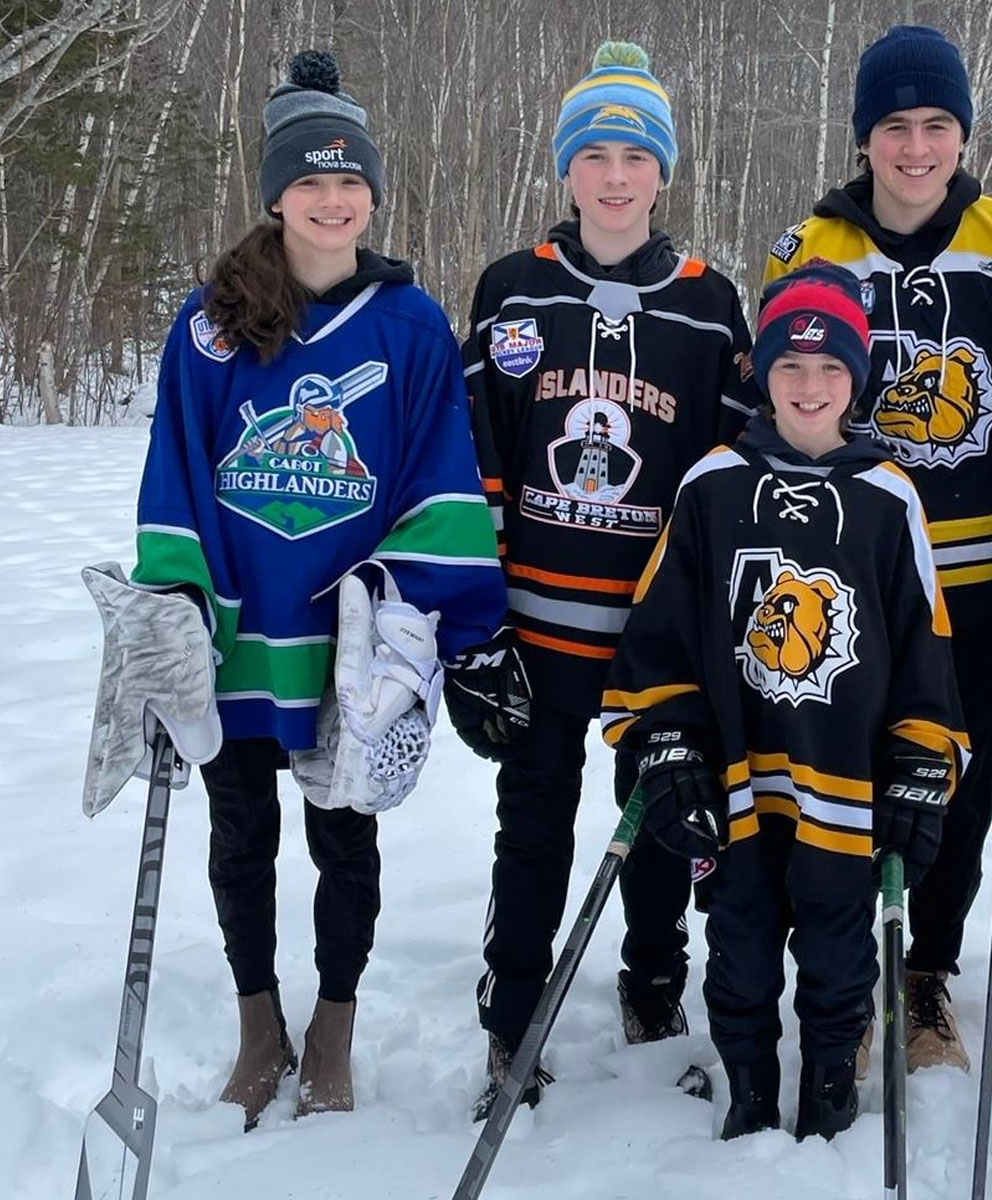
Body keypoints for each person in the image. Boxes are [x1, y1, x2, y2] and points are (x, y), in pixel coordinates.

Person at [128, 52, 506, 1129]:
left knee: (345, 833)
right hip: (245, 631)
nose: (333, 201)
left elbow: (440, 474)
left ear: (372, 197)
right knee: (240, 831)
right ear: (277, 195)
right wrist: (178, 601)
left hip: (348, 636)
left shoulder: (411, 324)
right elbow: (179, 474)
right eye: (310, 183)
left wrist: (430, 612)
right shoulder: (210, 324)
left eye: (351, 184)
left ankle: (333, 1025)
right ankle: (261, 1028)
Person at [444, 41, 754, 1118]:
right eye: (595, 155)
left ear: (662, 171)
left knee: (663, 814)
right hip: (537, 629)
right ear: (566, 168)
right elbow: (474, 466)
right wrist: (475, 629)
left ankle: (652, 981)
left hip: (653, 638)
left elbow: (732, 481)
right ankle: (512, 1024)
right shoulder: (513, 289)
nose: (614, 176)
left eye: (635, 155)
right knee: (531, 825)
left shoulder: (711, 304)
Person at [601, 264, 968, 1141]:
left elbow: (926, 639)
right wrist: (668, 739)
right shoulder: (711, 484)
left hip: (841, 775)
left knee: (843, 948)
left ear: (859, 378)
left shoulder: (888, 496)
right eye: (791, 368)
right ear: (761, 374)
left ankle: (832, 1090)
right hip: (738, 773)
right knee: (740, 940)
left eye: (832, 369)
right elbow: (659, 633)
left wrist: (922, 757)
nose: (810, 387)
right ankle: (752, 1091)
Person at [763, 24, 992, 1073]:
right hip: (857, 572)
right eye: (895, 126)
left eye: (937, 126)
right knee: (843, 769)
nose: (917, 148)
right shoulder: (811, 249)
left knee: (953, 782)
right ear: (864, 136)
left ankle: (926, 974)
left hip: (983, 574)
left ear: (962, 133)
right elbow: (779, 408)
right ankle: (840, 959)